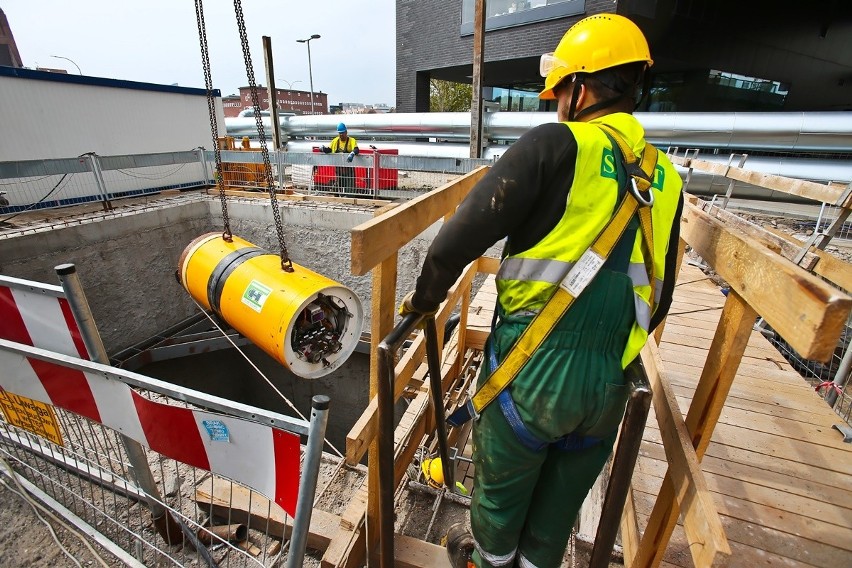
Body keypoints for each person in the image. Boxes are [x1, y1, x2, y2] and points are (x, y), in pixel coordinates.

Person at [398, 13, 684, 568]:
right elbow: (662, 292)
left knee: (498, 517)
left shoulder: (558, 145)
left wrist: (423, 302)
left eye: (559, 92)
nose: (556, 103)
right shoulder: (666, 176)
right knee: (551, 527)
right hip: (606, 389)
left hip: (530, 379)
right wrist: (610, 366)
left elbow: (452, 244)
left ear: (578, 88)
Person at [321, 122, 359, 193]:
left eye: (342, 133)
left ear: (346, 132)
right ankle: (339, 197)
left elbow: (356, 149)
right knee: (340, 188)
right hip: (339, 170)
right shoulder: (335, 141)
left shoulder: (351, 141)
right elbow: (329, 150)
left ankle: (349, 199)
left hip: (349, 170)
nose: (341, 135)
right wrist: (323, 149)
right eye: (339, 133)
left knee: (350, 189)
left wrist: (352, 153)